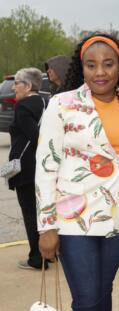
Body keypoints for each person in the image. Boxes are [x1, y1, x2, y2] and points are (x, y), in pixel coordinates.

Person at [36, 33, 119, 311]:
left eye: (108, 64)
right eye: (91, 65)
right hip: (73, 221)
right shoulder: (62, 104)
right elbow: (46, 166)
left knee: (102, 293)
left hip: (117, 220)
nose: (100, 72)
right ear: (82, 68)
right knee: (86, 299)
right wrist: (46, 226)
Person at [8, 67, 46, 270]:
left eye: (17, 82)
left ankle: (37, 258)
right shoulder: (46, 102)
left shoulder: (23, 106)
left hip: (27, 170)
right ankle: (49, 253)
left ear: (28, 85)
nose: (14, 87)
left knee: (31, 214)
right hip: (43, 167)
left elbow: (35, 136)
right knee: (44, 212)